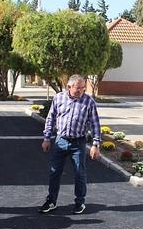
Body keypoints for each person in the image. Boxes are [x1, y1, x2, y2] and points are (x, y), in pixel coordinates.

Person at [39, 74, 101, 215]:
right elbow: (50, 119)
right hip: (60, 141)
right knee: (54, 172)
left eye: (82, 88)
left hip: (78, 143)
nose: (80, 91)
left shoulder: (88, 101)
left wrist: (95, 144)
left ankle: (80, 202)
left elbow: (95, 124)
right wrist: (46, 138)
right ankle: (51, 201)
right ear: (69, 86)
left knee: (80, 173)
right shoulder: (58, 98)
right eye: (77, 88)